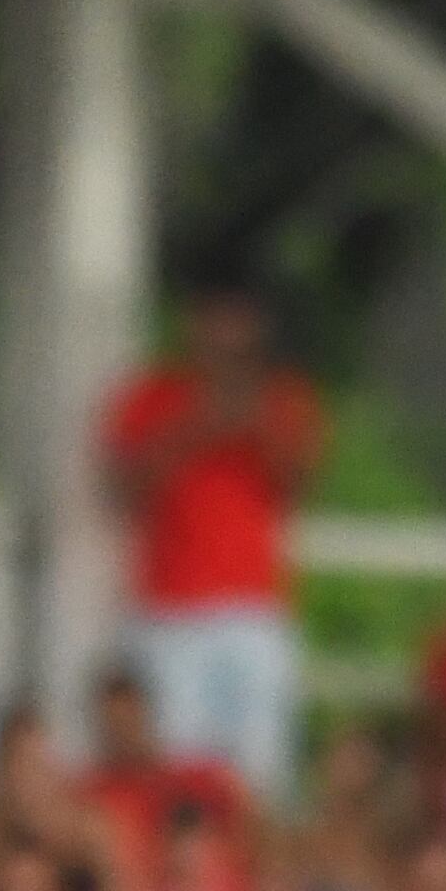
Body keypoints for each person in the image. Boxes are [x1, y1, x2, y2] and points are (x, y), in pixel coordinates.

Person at [100, 284, 327, 802]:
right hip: (170, 614)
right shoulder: (152, 396)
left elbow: (298, 483)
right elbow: (124, 489)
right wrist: (198, 424)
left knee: (261, 772)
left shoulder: (284, 396)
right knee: (178, 769)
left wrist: (253, 419)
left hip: (253, 612)